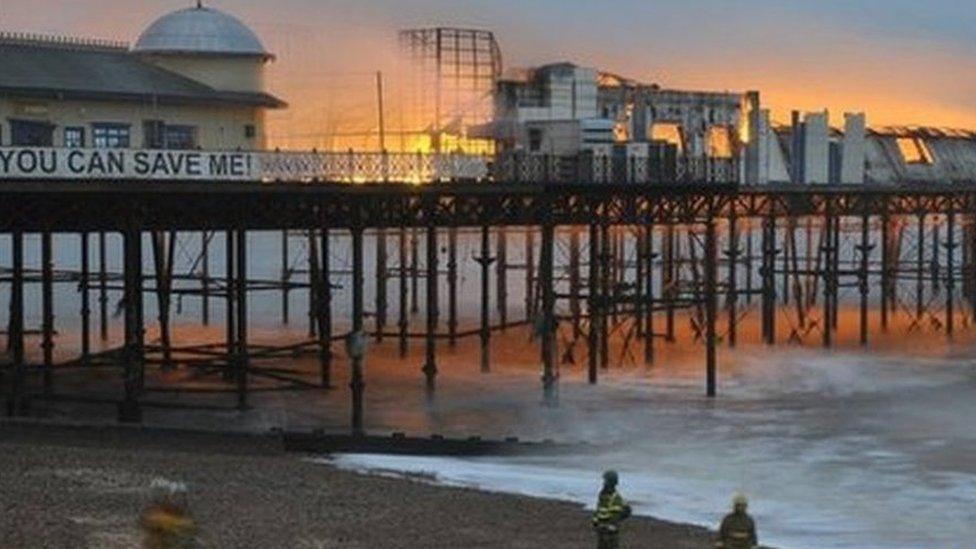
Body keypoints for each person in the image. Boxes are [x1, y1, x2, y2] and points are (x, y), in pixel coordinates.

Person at [140, 478, 199, 549]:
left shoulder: (185, 520)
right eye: (176, 497)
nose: (178, 501)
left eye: (181, 497)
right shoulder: (155, 516)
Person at [591, 470, 632, 549]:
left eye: (605, 481)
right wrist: (595, 521)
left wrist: (610, 526)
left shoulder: (615, 498)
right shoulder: (603, 495)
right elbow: (599, 509)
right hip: (602, 529)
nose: (603, 483)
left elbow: (615, 515)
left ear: (610, 482)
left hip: (610, 531)